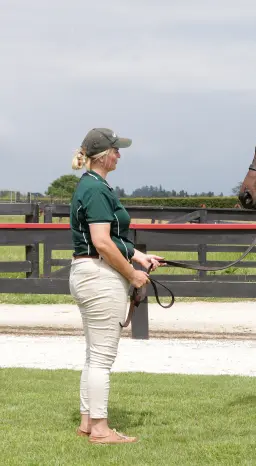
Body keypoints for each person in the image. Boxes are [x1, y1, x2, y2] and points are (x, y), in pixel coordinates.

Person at [68, 128, 163, 444]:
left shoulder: (93, 185)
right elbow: (102, 243)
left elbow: (112, 239)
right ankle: (100, 429)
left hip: (89, 273)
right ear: (103, 156)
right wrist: (133, 274)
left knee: (93, 354)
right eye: (116, 150)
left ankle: (87, 422)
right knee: (102, 358)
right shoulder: (96, 190)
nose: (119, 155)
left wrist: (139, 256)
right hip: (99, 276)